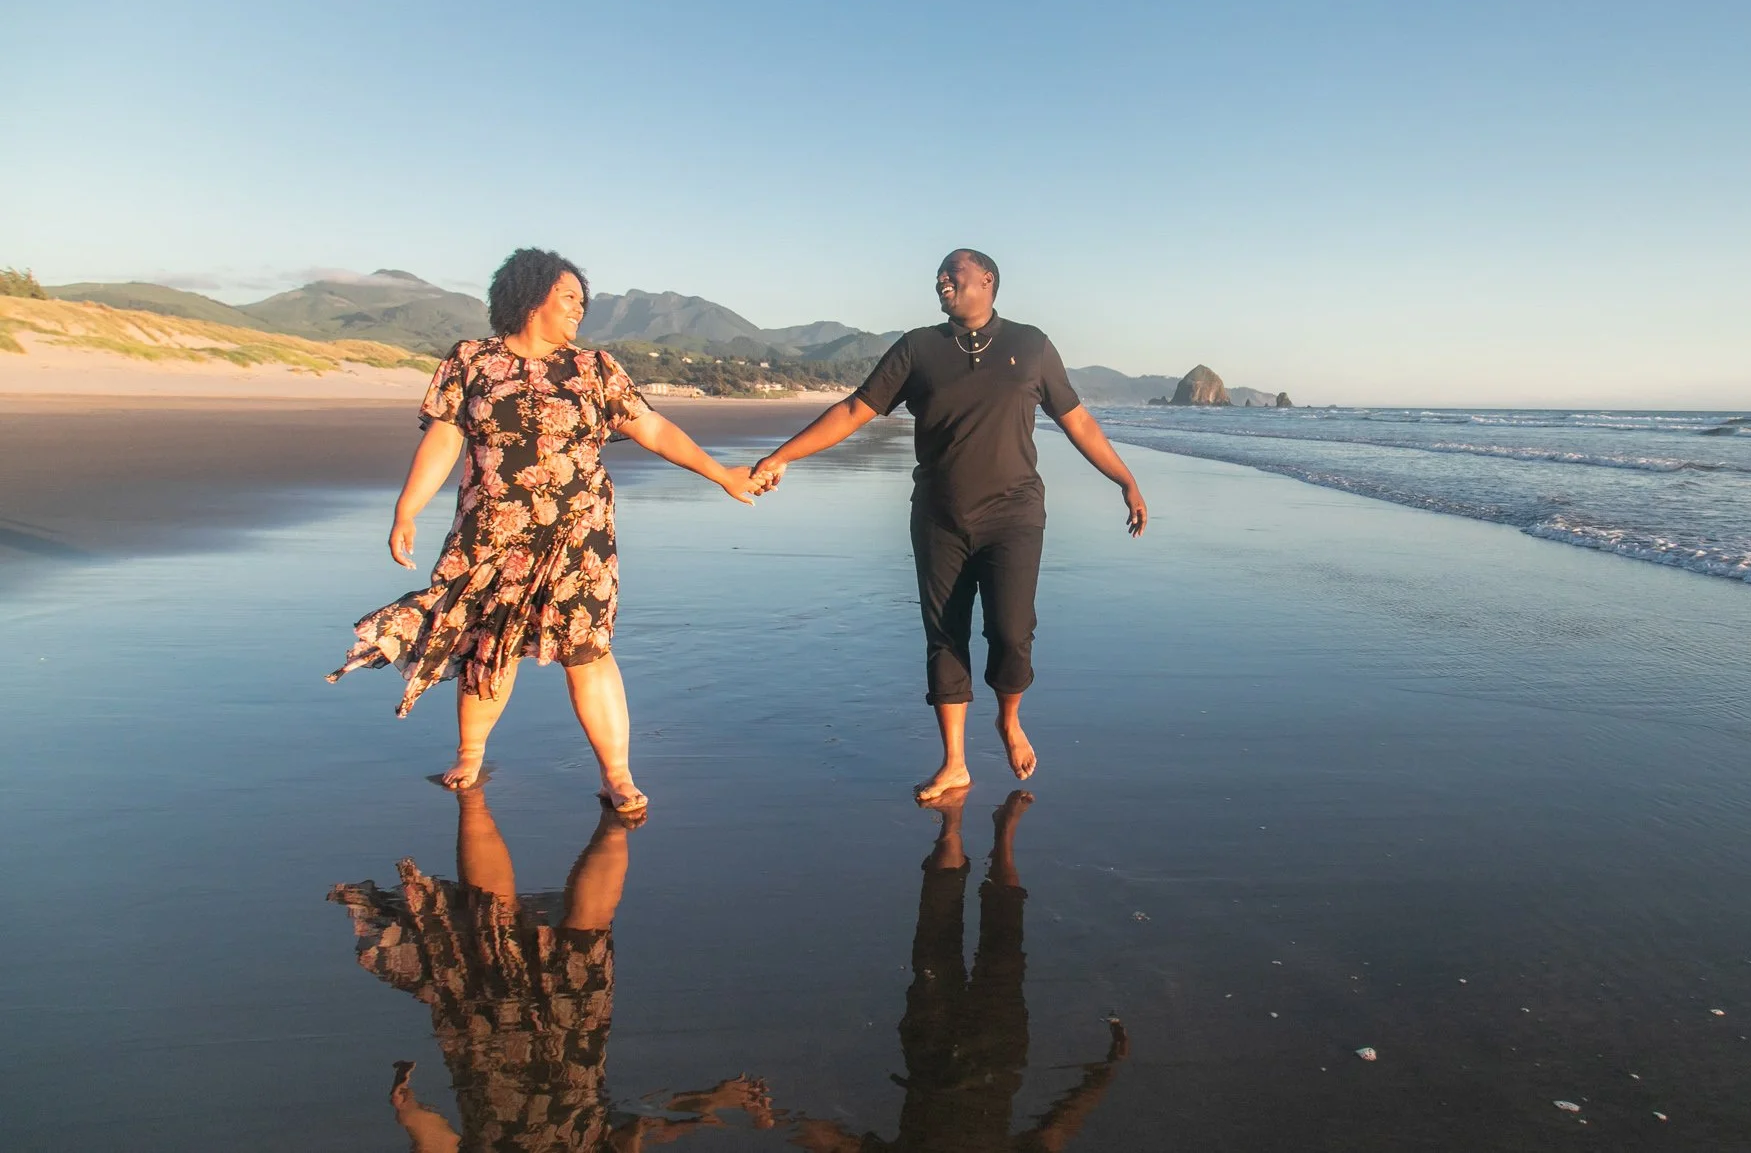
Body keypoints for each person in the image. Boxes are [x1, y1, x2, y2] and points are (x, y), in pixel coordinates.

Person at [327, 248, 757, 812]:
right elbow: (444, 439)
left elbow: (651, 427)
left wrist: (722, 473)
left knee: (587, 649)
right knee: (488, 644)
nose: (580, 309)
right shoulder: (470, 362)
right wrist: (407, 508)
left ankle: (617, 774)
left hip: (579, 536)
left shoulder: (594, 368)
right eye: (570, 297)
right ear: (531, 298)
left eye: (583, 299)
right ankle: (471, 754)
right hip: (491, 533)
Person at [750, 249, 1146, 801]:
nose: (942, 279)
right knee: (945, 634)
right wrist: (781, 457)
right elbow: (853, 410)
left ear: (988, 280)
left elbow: (1076, 420)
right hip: (939, 515)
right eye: (938, 273)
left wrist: (1124, 480)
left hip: (1015, 514)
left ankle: (1008, 719)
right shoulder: (918, 347)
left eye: (953, 271)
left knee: (1011, 631)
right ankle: (954, 762)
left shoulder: (1031, 345)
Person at [330, 794, 776, 1151]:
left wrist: (711, 1101)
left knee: (579, 932)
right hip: (487, 1044)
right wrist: (407, 1108)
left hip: (565, 1053)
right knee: (493, 921)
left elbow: (633, 1133)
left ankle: (603, 822)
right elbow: (437, 1144)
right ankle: (478, 799)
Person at [784, 791, 1128, 1153]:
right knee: (1001, 952)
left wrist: (782, 1117)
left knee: (938, 947)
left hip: (930, 1052)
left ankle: (951, 829)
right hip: (997, 1057)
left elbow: (843, 1147)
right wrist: (1103, 1075)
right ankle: (1004, 838)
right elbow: (1054, 1132)